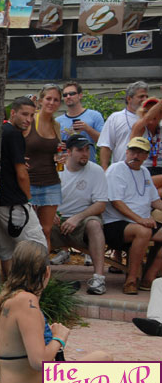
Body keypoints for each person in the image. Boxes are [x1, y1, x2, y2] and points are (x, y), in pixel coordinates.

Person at [0, 240, 110, 383]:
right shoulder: (26, 302)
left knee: (103, 359)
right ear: (47, 272)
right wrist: (59, 338)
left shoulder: (12, 299)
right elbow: (39, 361)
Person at [103, 137, 162, 294]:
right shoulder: (116, 169)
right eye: (133, 151)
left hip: (140, 223)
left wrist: (142, 221)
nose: (135, 156)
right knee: (144, 231)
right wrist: (140, 220)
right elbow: (116, 202)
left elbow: (155, 201)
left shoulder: (144, 172)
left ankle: (148, 278)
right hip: (115, 224)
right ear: (127, 152)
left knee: (145, 230)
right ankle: (131, 280)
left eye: (140, 153)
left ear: (146, 156)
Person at [50, 134, 108, 295]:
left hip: (82, 222)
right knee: (41, 225)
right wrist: (50, 212)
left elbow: (101, 204)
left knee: (95, 224)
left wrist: (77, 217)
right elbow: (38, 195)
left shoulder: (96, 171)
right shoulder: (55, 168)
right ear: (68, 152)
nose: (85, 154)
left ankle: (98, 279)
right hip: (56, 220)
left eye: (87, 150)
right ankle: (41, 276)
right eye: (80, 150)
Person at [0, 97, 47, 278]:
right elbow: (22, 173)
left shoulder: (2, 131)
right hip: (15, 204)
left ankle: (10, 290)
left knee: (7, 252)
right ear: (13, 113)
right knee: (38, 247)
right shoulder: (13, 134)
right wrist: (29, 199)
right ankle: (34, 291)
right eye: (24, 114)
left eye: (32, 116)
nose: (28, 119)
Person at [24, 84, 64, 250]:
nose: (52, 102)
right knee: (28, 229)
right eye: (48, 98)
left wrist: (61, 157)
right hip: (28, 181)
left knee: (45, 230)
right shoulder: (29, 122)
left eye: (56, 100)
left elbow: (56, 153)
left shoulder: (57, 126)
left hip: (50, 181)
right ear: (40, 101)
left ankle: (44, 271)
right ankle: (26, 268)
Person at [97, 81, 149, 170]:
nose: (145, 99)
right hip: (121, 170)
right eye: (141, 96)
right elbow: (106, 146)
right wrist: (105, 170)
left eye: (146, 96)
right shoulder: (115, 118)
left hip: (148, 169)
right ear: (129, 99)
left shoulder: (153, 118)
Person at [56, 81, 104, 162]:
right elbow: (55, 149)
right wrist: (59, 146)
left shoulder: (94, 115)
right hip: (66, 167)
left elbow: (103, 141)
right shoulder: (57, 121)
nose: (68, 96)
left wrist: (87, 129)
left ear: (80, 95)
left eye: (72, 93)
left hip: (88, 165)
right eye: (65, 95)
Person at [130, 97, 162, 176]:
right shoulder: (139, 128)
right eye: (146, 111)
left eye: (156, 111)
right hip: (142, 168)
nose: (152, 114)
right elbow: (147, 118)